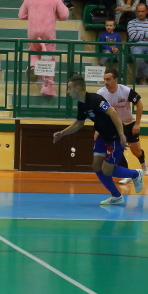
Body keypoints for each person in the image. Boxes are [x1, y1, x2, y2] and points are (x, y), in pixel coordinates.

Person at [55, 75, 141, 205]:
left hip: (115, 136)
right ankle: (116, 196)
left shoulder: (95, 99)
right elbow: (79, 123)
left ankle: (135, 174)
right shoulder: (81, 104)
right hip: (102, 136)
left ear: (77, 88)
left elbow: (113, 113)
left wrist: (122, 135)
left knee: (107, 170)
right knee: (96, 166)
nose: (68, 92)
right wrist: (62, 133)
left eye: (69, 88)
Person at [97, 68, 148, 185]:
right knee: (117, 150)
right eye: (104, 79)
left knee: (136, 151)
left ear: (115, 80)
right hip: (113, 126)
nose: (106, 82)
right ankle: (127, 174)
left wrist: (137, 124)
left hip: (128, 124)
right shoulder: (101, 93)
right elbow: (98, 113)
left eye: (108, 79)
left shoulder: (126, 91)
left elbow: (140, 105)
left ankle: (143, 163)